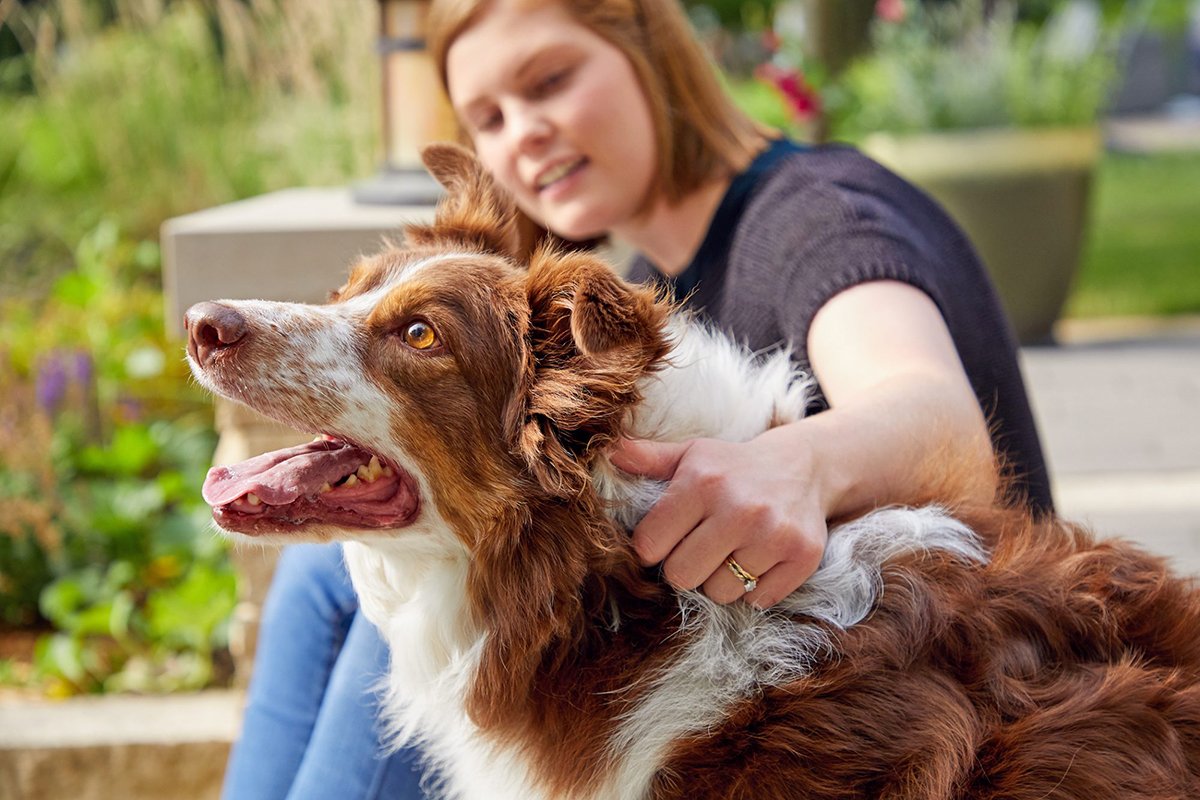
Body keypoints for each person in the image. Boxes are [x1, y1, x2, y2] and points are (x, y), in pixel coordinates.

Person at [220, 0, 1053, 796]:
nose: (525, 133)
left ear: (651, 51)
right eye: (490, 118)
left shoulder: (817, 219)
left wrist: (796, 463)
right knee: (328, 580)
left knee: (439, 575)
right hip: (753, 661)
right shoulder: (657, 268)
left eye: (549, 82)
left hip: (924, 677)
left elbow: (939, 420)